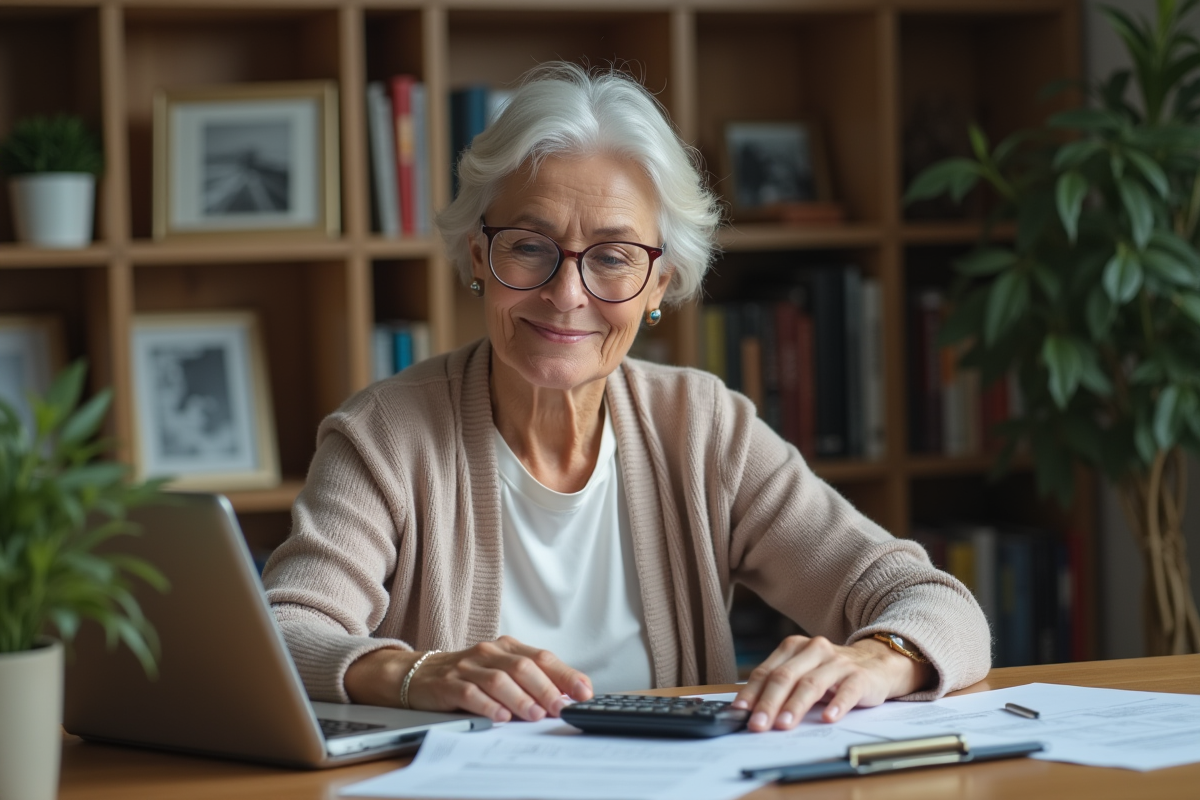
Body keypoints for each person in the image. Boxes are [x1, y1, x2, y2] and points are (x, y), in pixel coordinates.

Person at [262, 63, 990, 734]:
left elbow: (937, 605)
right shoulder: (385, 434)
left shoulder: (704, 428)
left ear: (659, 286)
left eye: (612, 258)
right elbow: (283, 634)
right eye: (528, 245)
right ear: (479, 257)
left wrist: (877, 658)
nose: (566, 294)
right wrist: (414, 672)